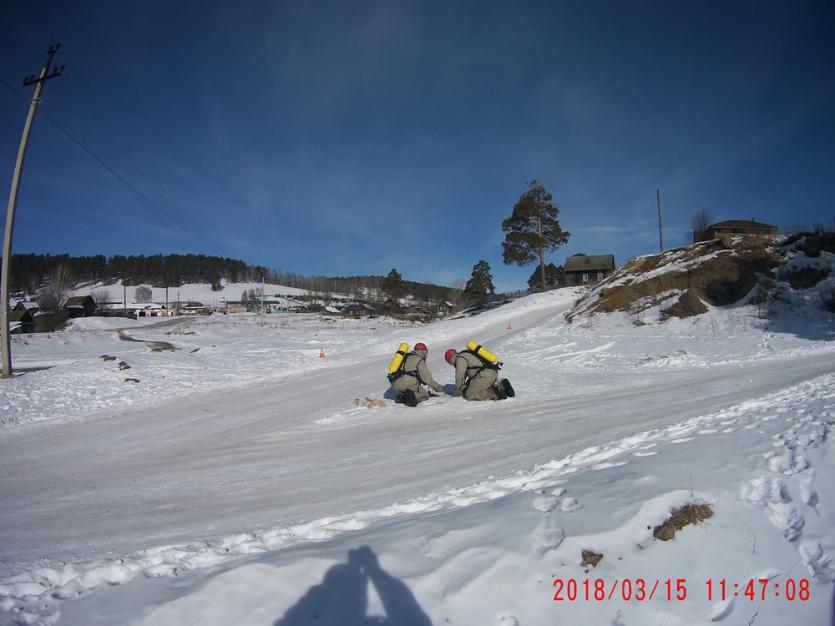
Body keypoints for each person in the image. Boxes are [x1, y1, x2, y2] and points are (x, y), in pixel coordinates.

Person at [444, 347, 515, 401]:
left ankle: (497, 391)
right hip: (489, 373)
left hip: (485, 376)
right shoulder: (464, 354)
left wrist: (457, 391)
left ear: (451, 359)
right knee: (468, 387)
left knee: (469, 394)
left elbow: (459, 376)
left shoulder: (460, 359)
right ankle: (496, 386)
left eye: (449, 362)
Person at [389, 342, 445, 407]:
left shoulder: (405, 356)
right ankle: (408, 397)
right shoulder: (419, 360)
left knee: (409, 389)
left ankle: (402, 396)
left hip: (394, 382)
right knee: (424, 395)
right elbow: (428, 379)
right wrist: (438, 387)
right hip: (407, 382)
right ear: (424, 351)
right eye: (426, 352)